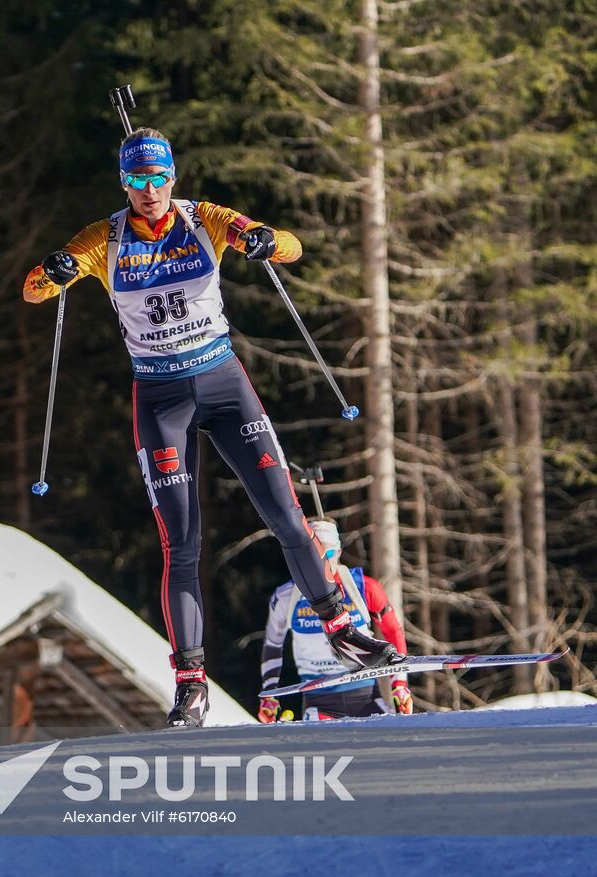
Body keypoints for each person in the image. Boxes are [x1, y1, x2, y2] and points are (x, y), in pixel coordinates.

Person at [22, 127, 401, 728]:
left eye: (158, 178)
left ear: (173, 177)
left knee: (287, 516)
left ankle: (342, 630)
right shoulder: (105, 238)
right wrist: (57, 268)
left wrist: (263, 241)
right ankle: (192, 682)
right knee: (182, 544)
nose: (149, 191)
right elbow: (35, 290)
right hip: (161, 399)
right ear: (123, 183)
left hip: (223, 386)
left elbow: (292, 248)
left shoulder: (207, 219)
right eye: (136, 181)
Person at [259, 520, 413, 721]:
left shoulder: (364, 588)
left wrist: (399, 684)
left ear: (339, 552)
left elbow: (393, 631)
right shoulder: (286, 597)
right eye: (316, 556)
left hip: (365, 694)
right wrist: (270, 693)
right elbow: (273, 644)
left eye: (328, 554)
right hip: (319, 700)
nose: (322, 563)